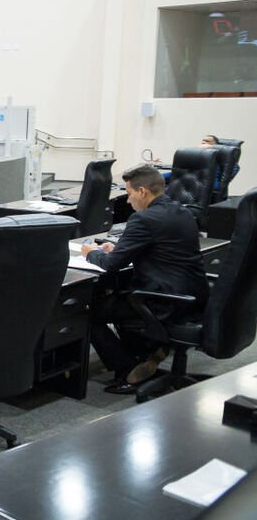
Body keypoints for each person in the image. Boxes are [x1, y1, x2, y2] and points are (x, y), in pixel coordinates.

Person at [79, 164, 208, 393]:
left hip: (163, 300)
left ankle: (126, 369)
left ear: (142, 192)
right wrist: (119, 247)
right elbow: (161, 247)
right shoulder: (183, 211)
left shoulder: (143, 220)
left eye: (128, 194)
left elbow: (111, 265)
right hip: (192, 296)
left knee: (89, 313)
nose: (128, 201)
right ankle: (148, 352)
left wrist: (91, 253)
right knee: (121, 298)